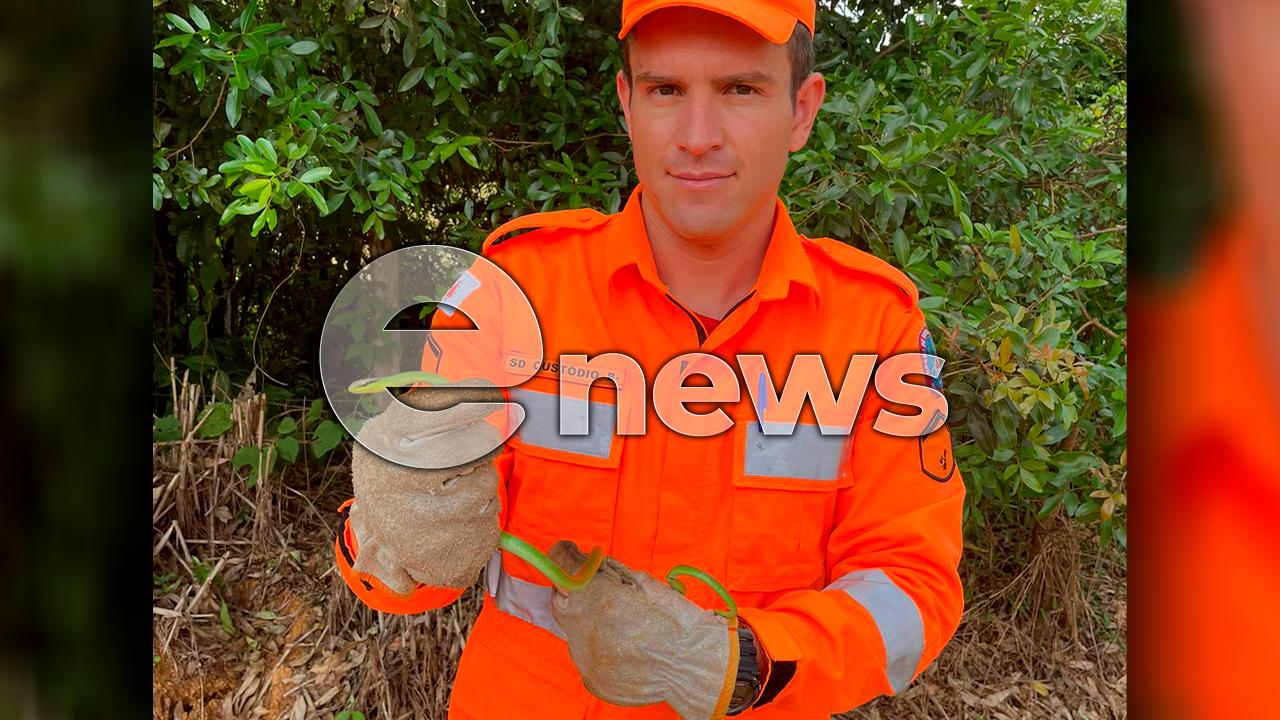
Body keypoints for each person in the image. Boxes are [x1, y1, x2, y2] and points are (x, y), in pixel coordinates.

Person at [333, 1, 965, 717]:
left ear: (801, 110)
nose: (698, 138)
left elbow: (912, 587)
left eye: (740, 90)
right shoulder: (518, 290)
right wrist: (390, 529)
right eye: (667, 90)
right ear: (627, 103)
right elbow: (418, 564)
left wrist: (749, 664)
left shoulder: (873, 323)